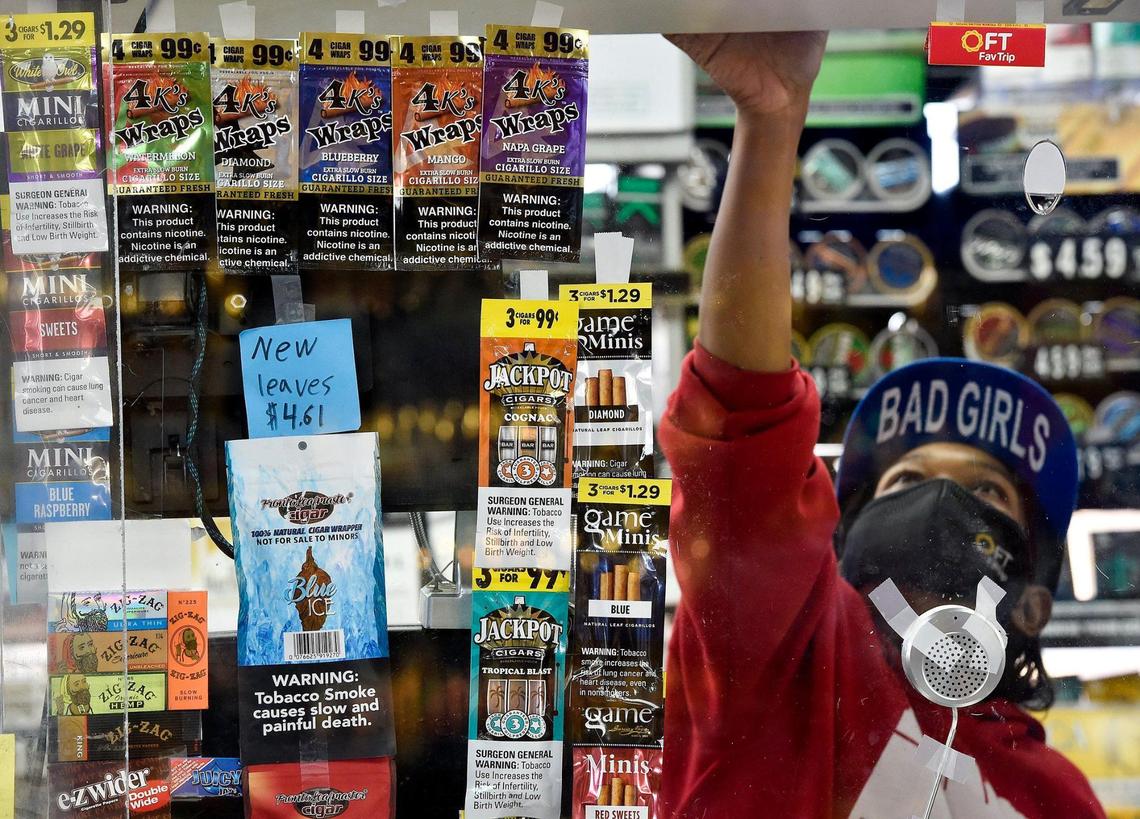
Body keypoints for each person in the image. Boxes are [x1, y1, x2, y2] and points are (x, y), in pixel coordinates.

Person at [660, 32, 1106, 818]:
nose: (938, 499)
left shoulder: (1058, 799)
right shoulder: (788, 654)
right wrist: (769, 123)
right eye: (903, 481)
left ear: (1035, 603)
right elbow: (741, 419)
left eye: (985, 491)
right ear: (842, 548)